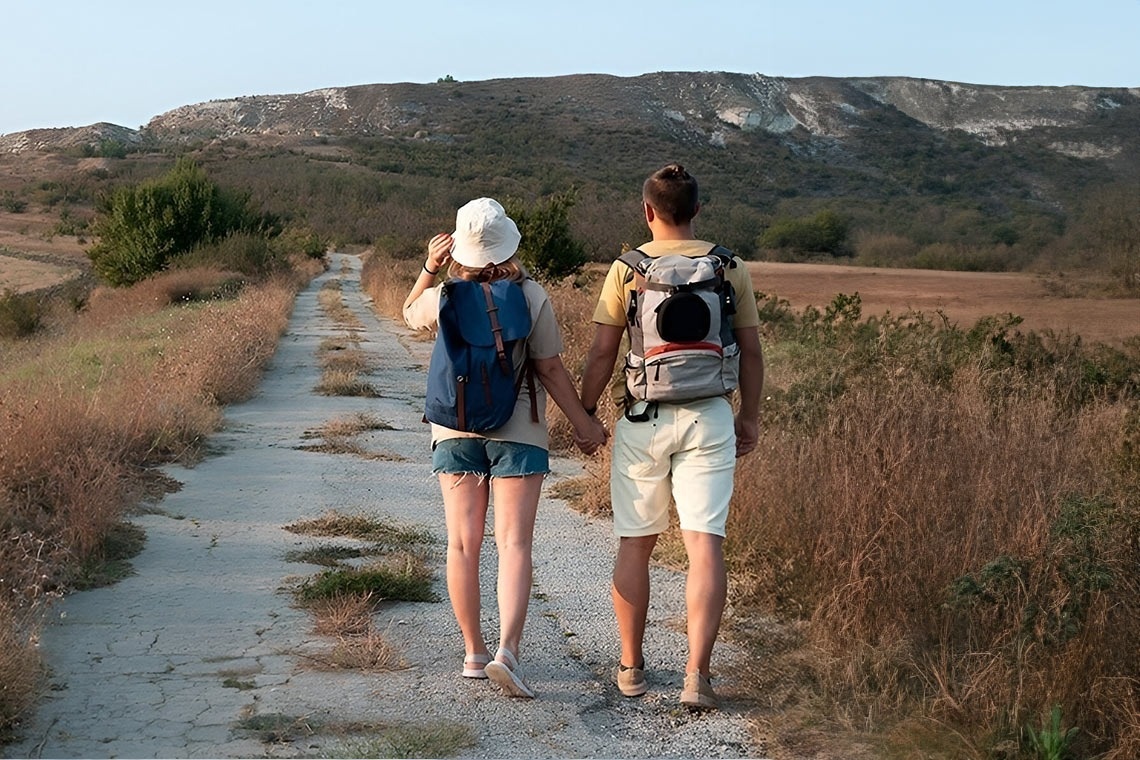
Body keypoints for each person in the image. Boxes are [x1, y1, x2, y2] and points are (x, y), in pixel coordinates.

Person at [403, 197, 608, 699]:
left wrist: (429, 268)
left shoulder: (445, 295)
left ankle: (473, 652)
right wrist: (586, 426)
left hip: (454, 428)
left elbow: (409, 313)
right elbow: (550, 370)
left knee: (462, 544)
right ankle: (508, 653)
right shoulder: (531, 294)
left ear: (460, 248)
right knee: (514, 544)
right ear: (508, 244)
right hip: (519, 430)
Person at [578, 164, 764, 709]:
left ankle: (632, 667)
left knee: (636, 543)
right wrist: (748, 417)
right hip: (709, 415)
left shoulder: (626, 268)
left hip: (643, 417)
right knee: (704, 545)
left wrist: (586, 413)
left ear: (647, 211)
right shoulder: (731, 267)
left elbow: (600, 353)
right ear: (698, 211)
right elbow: (750, 351)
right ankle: (696, 678)